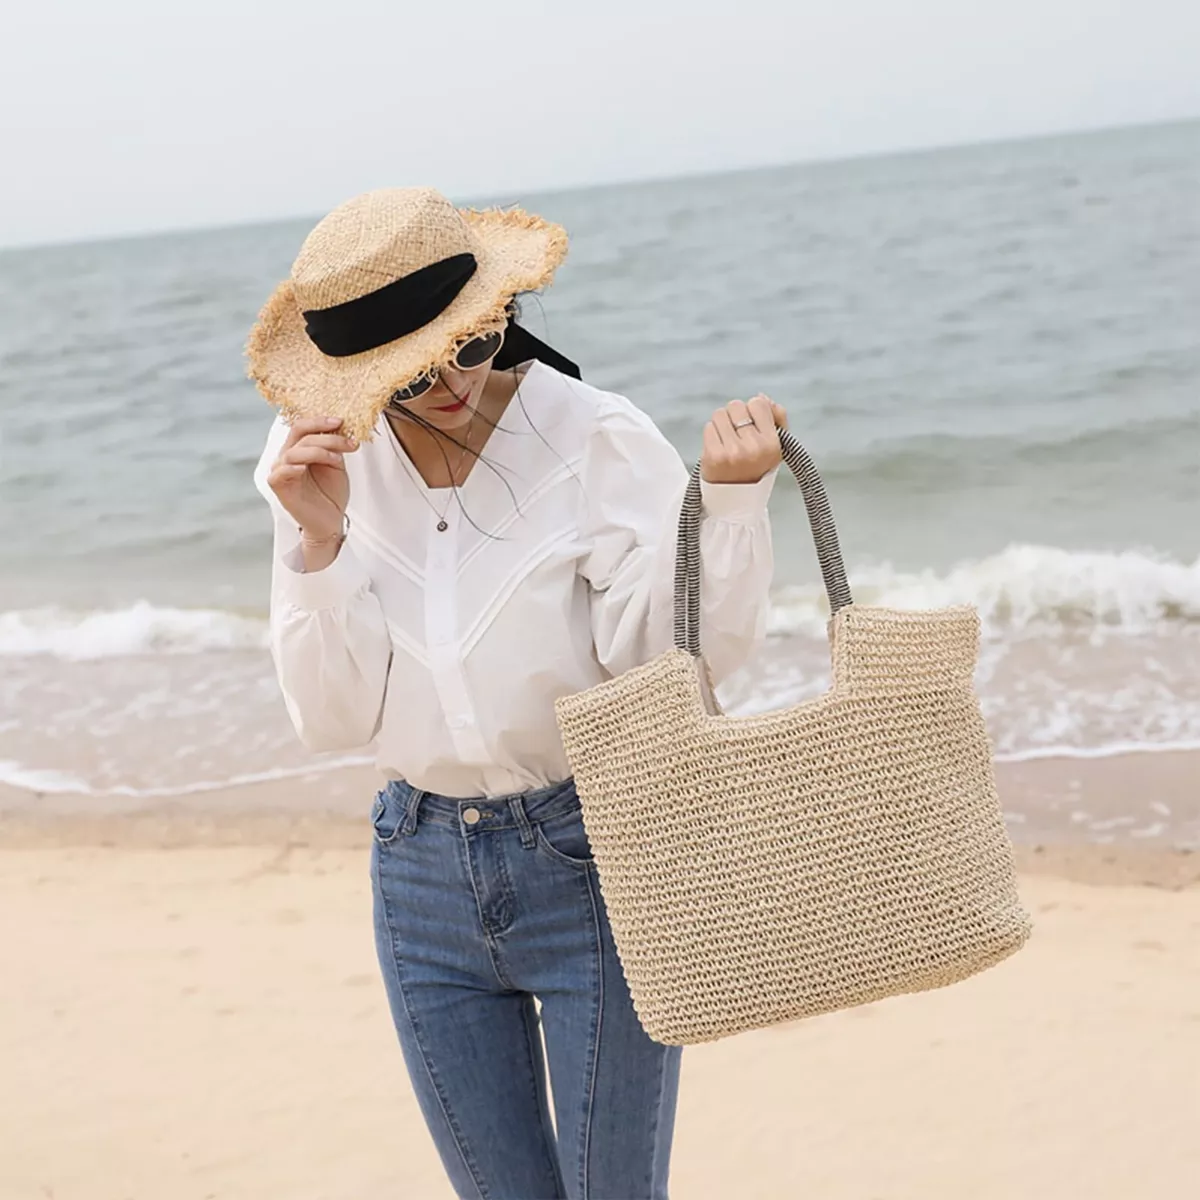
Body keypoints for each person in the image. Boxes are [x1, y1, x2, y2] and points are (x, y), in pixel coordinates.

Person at [249, 187, 783, 1200]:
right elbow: (330, 718)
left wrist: (731, 506)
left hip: (588, 853)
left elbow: (670, 664)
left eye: (477, 342)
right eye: (417, 367)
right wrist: (318, 546)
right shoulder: (317, 467)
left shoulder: (594, 436)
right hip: (418, 874)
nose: (455, 380)